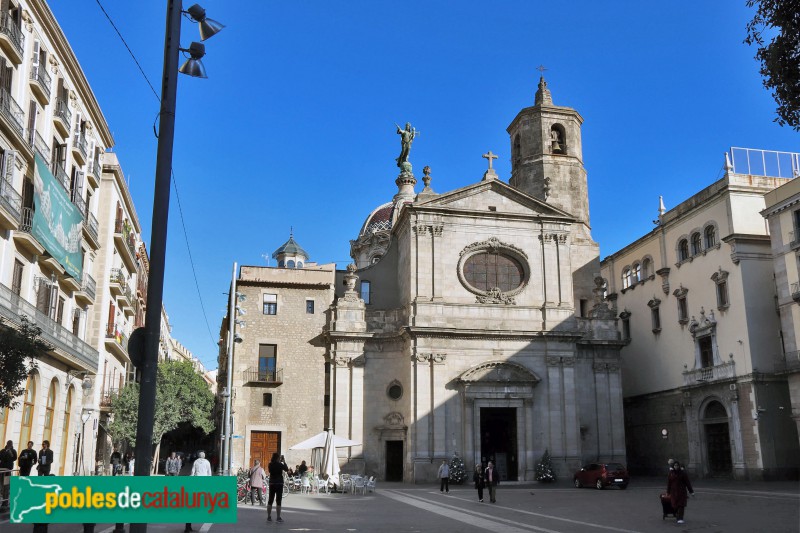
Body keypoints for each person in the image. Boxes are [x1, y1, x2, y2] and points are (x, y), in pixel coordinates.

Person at [185, 451, 212, 532]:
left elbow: (192, 472)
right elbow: (209, 473)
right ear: (204, 456)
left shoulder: (196, 462)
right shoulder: (207, 462)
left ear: (198, 456)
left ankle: (188, 527)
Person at [666, 460, 694, 524]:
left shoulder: (683, 473)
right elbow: (669, 483)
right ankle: (677, 515)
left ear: (679, 466)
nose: (676, 467)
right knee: (675, 505)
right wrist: (667, 492)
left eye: (677, 465)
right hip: (673, 492)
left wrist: (691, 491)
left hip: (682, 491)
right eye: (675, 465)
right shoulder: (671, 473)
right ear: (673, 466)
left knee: (681, 505)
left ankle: (680, 518)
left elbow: (687, 483)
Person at [267, 453, 289, 523]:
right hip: (279, 483)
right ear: (278, 458)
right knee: (278, 500)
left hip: (272, 483)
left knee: (270, 500)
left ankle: (269, 516)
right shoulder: (280, 464)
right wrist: (284, 461)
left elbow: (270, 471)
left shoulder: (270, 464)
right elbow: (286, 469)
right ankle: (278, 517)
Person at [0, 440, 17, 510]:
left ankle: (5, 501)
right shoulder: (3, 450)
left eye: (10, 444)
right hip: (1, 469)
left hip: (7, 470)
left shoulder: (13, 451)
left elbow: (14, 458)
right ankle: (2, 499)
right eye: (8, 443)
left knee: (6, 486)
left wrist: (10, 453)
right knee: (1, 485)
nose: (9, 445)